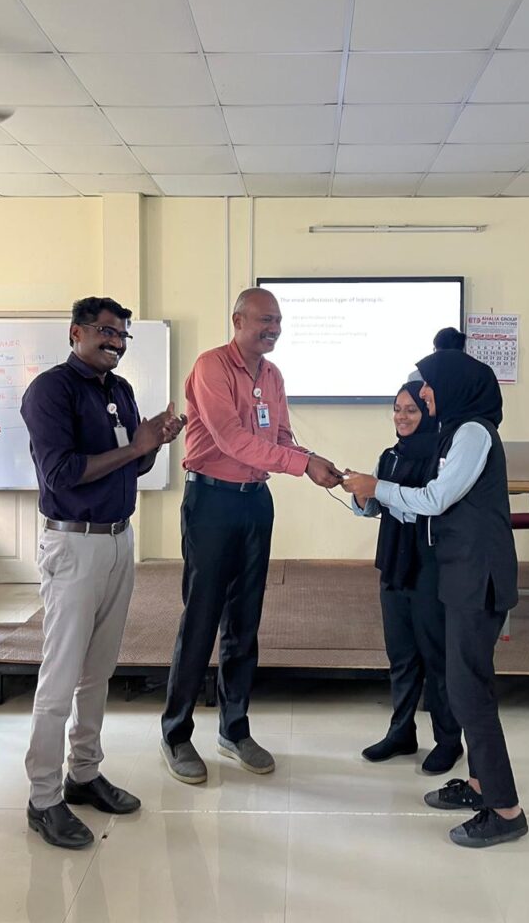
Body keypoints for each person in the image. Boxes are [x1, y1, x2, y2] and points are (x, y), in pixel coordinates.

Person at [343, 350, 528, 849]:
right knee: (468, 684)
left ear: (453, 384)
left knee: (467, 691)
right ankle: (479, 785)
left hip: (477, 577)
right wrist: (371, 494)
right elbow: (426, 511)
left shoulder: (473, 433)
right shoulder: (455, 431)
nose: (422, 393)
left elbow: (435, 500)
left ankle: (505, 810)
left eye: (428, 384)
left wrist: (377, 487)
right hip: (460, 575)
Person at [20, 296, 186, 850]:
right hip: (73, 544)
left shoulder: (121, 390)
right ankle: (44, 797)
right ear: (77, 332)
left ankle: (84, 772)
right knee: (61, 675)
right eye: (106, 332)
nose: (115, 342)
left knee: (99, 670)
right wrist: (136, 446)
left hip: (118, 540)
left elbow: (135, 463)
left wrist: (154, 442)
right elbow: (62, 474)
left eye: (122, 335)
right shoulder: (51, 391)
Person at [161, 287, 342, 784]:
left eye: (278, 321)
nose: (274, 329)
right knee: (201, 618)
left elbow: (278, 437)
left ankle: (234, 728)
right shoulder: (211, 367)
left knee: (245, 620)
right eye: (265, 320)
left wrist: (312, 460)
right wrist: (303, 465)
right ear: (238, 320)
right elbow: (232, 440)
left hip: (255, 501)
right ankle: (176, 734)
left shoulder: (273, 375)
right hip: (211, 501)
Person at [352, 382, 462, 774]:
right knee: (400, 654)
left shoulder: (443, 457)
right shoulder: (390, 456)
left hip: (429, 566)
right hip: (394, 563)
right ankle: (401, 732)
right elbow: (372, 508)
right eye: (397, 409)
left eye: (411, 409)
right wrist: (361, 495)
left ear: (428, 412)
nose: (401, 416)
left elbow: (429, 507)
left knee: (436, 656)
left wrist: (381, 490)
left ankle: (448, 741)